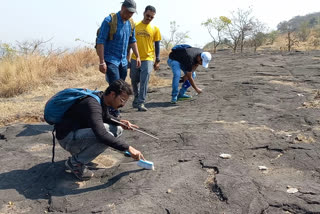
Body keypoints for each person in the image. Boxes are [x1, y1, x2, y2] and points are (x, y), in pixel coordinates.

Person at [55, 79, 145, 181]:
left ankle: (82, 156)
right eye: (122, 100)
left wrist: (120, 122)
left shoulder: (101, 98)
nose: (123, 105)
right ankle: (75, 163)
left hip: (76, 133)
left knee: (118, 129)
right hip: (67, 138)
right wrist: (128, 148)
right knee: (106, 134)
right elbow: (101, 134)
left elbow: (105, 116)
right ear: (112, 94)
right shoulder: (92, 103)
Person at [96, 0, 141, 84]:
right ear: (123, 8)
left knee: (120, 86)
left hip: (123, 62)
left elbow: (132, 40)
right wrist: (102, 62)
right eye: (128, 12)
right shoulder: (109, 21)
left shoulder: (131, 23)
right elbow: (100, 41)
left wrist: (137, 56)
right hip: (111, 60)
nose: (130, 15)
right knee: (116, 85)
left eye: (132, 13)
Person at [129, 5, 161, 112]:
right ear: (144, 13)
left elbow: (157, 45)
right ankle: (136, 97)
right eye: (148, 15)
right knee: (134, 80)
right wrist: (127, 57)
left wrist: (157, 59)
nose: (149, 18)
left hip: (148, 58)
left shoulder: (155, 29)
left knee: (144, 80)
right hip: (135, 58)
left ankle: (141, 102)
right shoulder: (135, 26)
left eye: (152, 17)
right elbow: (130, 42)